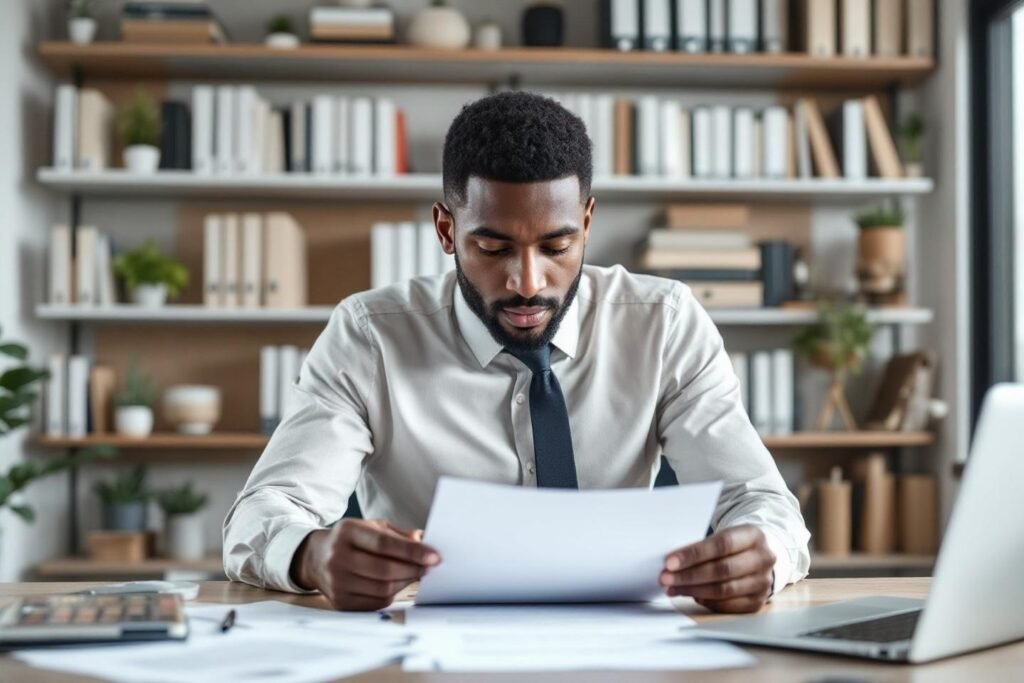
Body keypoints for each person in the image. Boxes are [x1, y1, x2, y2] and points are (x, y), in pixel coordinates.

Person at [224, 91, 810, 614]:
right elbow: (264, 510)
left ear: (586, 221)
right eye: (492, 246)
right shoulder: (369, 335)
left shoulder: (664, 324)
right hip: (428, 645)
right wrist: (311, 553)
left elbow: (761, 501)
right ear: (447, 229)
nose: (527, 282)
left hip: (624, 644)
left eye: (557, 245)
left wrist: (765, 553)